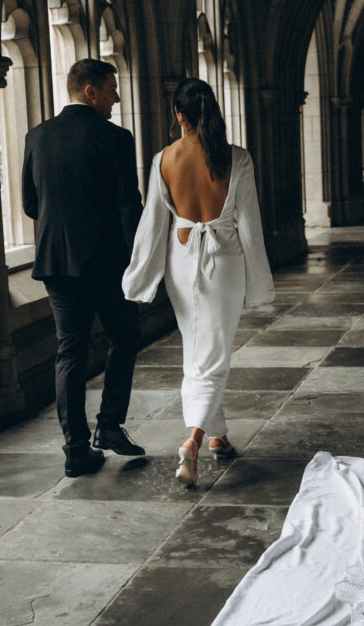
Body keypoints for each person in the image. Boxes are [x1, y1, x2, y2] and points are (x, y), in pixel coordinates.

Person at [122, 77, 275, 486]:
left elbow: (152, 224)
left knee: (199, 348)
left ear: (179, 114)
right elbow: (251, 225)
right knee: (213, 355)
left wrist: (139, 282)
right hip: (223, 261)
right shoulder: (237, 158)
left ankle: (218, 438)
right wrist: (259, 283)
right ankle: (193, 440)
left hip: (181, 260)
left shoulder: (163, 159)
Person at [22, 58, 146, 477]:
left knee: (69, 353)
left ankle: (76, 449)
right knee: (125, 337)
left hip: (56, 263)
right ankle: (109, 426)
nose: (116, 96)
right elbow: (129, 206)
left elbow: (28, 204)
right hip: (107, 263)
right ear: (90, 92)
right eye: (111, 88)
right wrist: (139, 262)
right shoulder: (116, 138)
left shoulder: (36, 136)